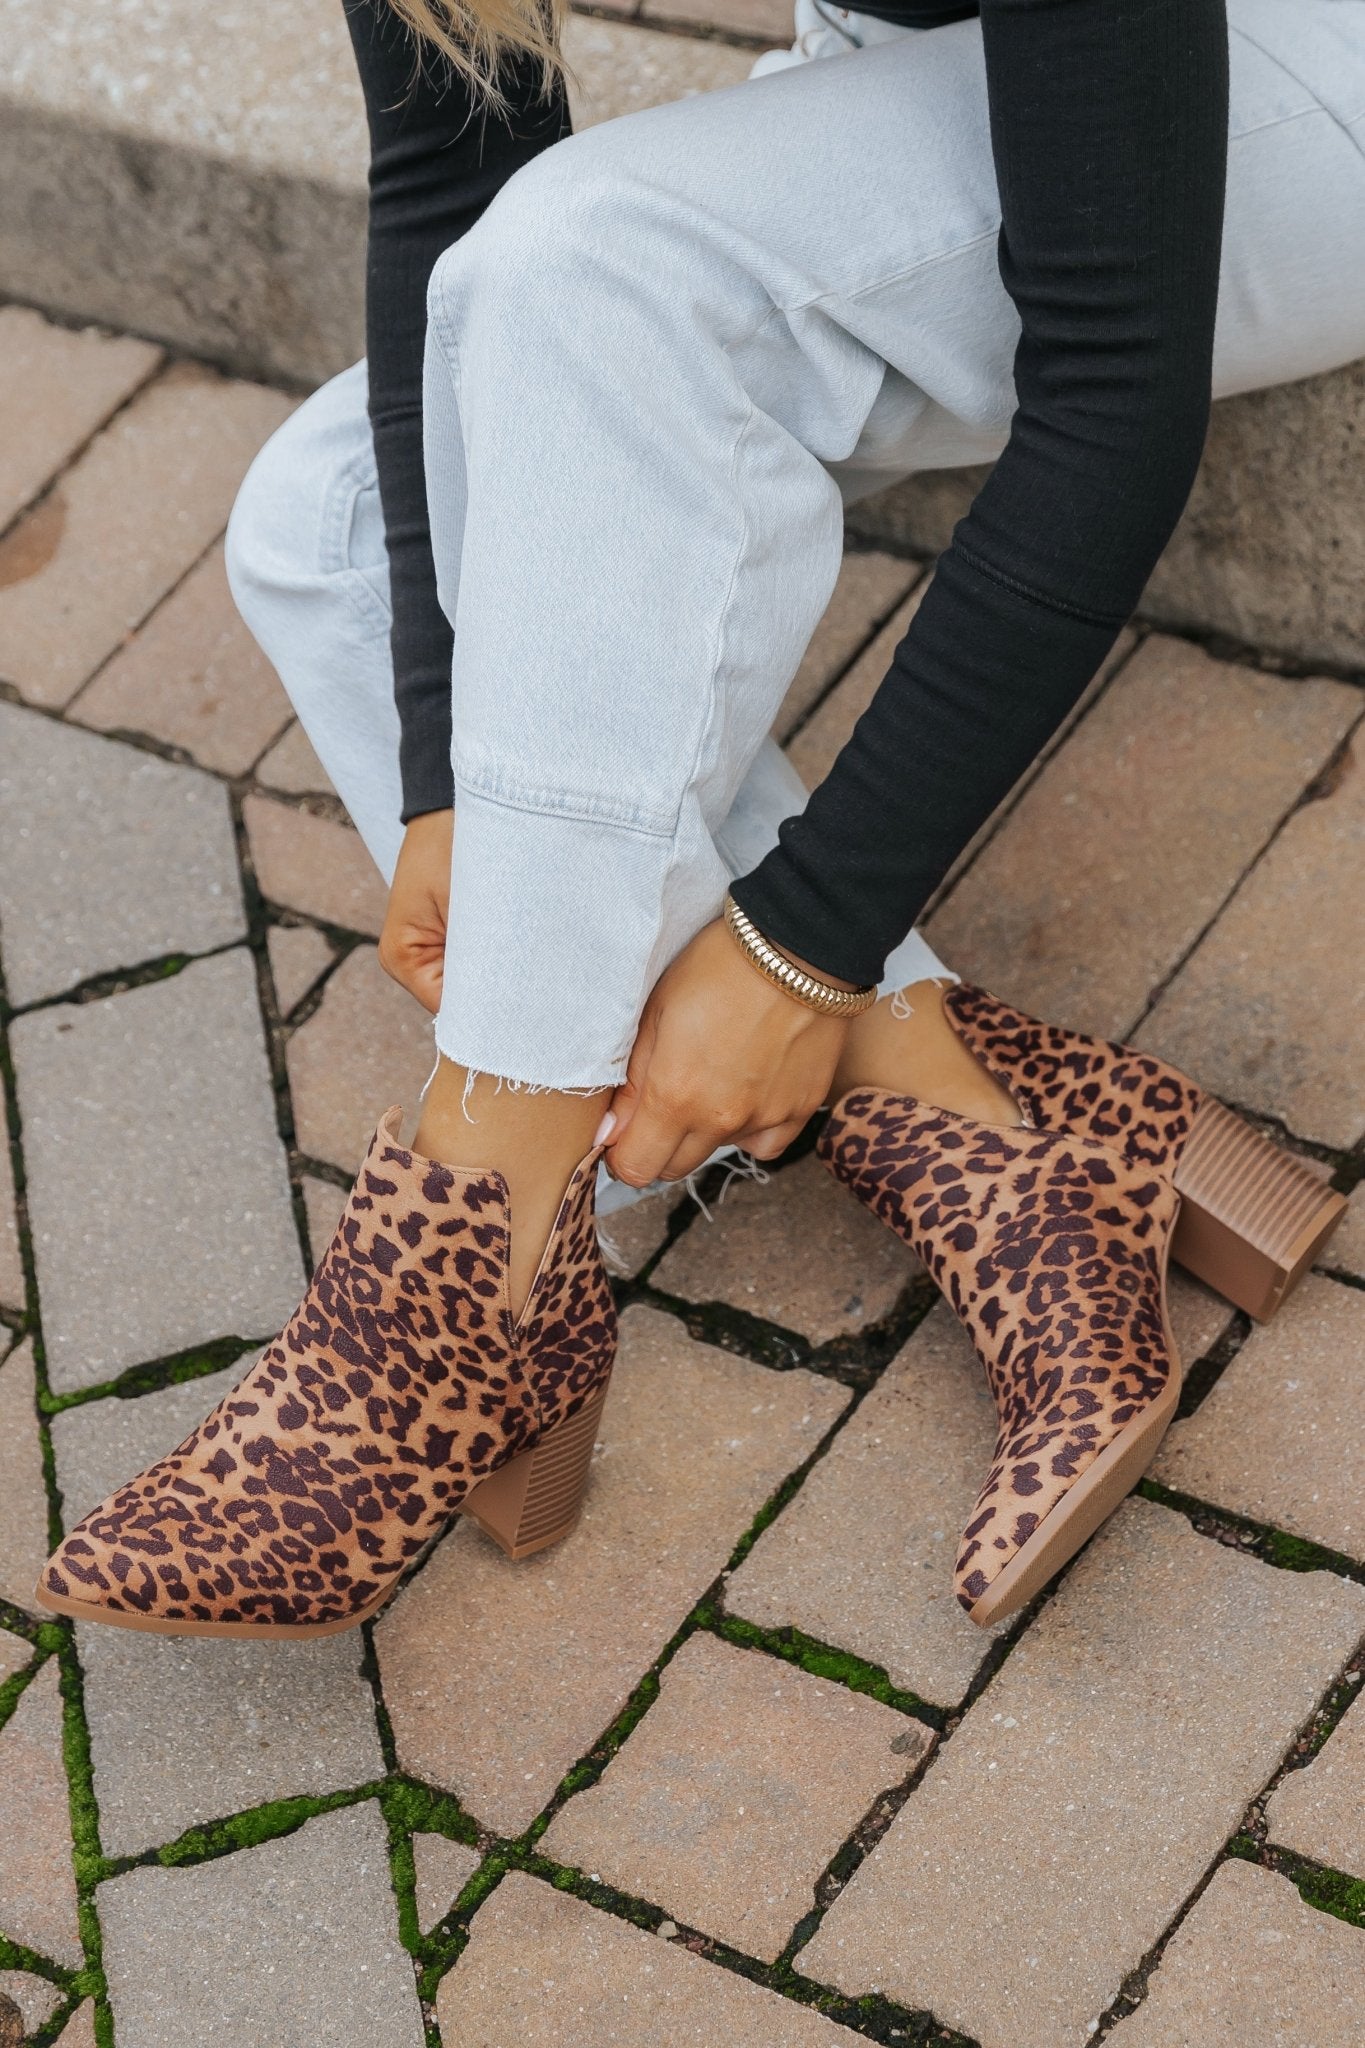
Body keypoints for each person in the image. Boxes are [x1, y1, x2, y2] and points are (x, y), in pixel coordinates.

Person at [38, 0, 1359, 1637]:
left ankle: (471, 1259)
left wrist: (802, 940)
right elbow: (453, 163)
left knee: (600, 266)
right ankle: (968, 1115)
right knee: (326, 521)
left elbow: (1114, 380)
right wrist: (452, 768)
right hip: (945, 62)